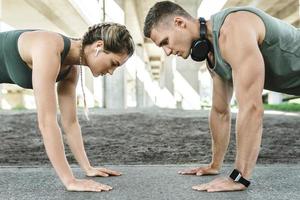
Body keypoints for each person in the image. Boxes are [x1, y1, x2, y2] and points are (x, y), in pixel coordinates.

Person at [143, 1, 300, 192]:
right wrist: (215, 165)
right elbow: (220, 112)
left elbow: (251, 108)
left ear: (179, 23)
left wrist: (239, 177)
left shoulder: (233, 29)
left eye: (165, 42)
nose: (166, 52)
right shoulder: (213, 54)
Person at [0, 22, 135, 192]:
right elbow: (47, 122)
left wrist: (87, 168)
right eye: (114, 63)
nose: (111, 72)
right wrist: (70, 181)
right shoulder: (48, 47)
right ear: (99, 46)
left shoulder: (71, 71)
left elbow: (70, 123)